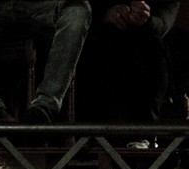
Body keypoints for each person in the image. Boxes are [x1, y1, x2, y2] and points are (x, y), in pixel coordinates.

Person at [75, 1, 179, 130]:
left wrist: (146, 19)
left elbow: (164, 22)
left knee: (153, 48)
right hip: (98, 37)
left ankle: (143, 133)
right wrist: (104, 15)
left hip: (146, 45)